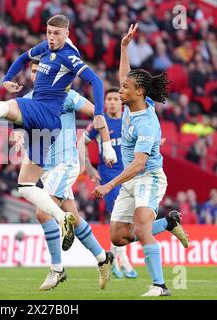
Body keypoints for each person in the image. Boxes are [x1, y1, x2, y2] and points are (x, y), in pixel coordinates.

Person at [0, 14, 116, 245]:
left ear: (67, 34)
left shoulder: (70, 58)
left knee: (6, 107)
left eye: (56, 33)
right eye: (48, 32)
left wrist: (98, 114)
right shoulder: (45, 48)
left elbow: (97, 82)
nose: (51, 37)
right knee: (25, 186)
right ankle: (65, 220)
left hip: (45, 112)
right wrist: (7, 78)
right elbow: (24, 57)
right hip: (45, 125)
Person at [93, 24, 189, 297]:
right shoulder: (132, 101)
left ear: (139, 92)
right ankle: (169, 223)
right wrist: (124, 47)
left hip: (148, 176)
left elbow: (138, 165)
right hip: (131, 179)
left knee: (142, 227)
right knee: (118, 236)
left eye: (125, 88)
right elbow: (126, 75)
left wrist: (109, 185)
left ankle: (160, 285)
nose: (120, 90)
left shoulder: (147, 123)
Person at [16, 60, 115, 290]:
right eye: (32, 71)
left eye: (38, 70)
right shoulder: (29, 100)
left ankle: (57, 270)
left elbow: (97, 114)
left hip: (65, 164)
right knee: (73, 215)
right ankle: (103, 257)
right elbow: (19, 125)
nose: (35, 74)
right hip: (46, 168)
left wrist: (107, 144)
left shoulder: (67, 96)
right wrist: (19, 136)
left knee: (43, 213)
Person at [82, 87, 138, 279]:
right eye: (109, 99)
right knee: (119, 217)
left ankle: (113, 258)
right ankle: (126, 263)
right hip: (109, 177)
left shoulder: (130, 120)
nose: (113, 102)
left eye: (116, 98)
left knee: (127, 219)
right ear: (104, 103)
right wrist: (89, 167)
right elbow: (81, 143)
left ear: (121, 102)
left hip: (130, 174)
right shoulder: (100, 122)